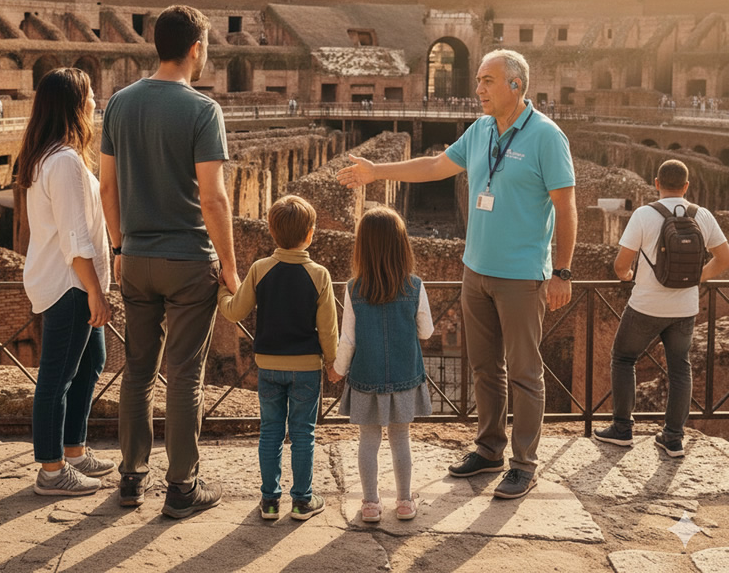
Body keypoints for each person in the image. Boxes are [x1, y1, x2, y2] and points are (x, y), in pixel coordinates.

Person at [337, 49, 577, 499]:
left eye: (488, 80)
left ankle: (525, 464)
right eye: (479, 80)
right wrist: (376, 172)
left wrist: (561, 270)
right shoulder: (481, 130)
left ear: (515, 86)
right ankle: (489, 449)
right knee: (486, 368)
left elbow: (566, 206)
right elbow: (434, 166)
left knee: (525, 372)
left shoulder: (546, 136)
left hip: (523, 275)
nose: (478, 88)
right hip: (476, 271)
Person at [100, 4, 239, 518]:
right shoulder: (203, 111)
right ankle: (182, 487)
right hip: (187, 262)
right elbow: (214, 199)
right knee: (184, 374)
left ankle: (131, 480)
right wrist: (229, 264)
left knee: (137, 372)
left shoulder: (119, 103)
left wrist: (119, 247)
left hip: (134, 257)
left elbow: (108, 187)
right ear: (196, 48)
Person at [16, 68, 114, 497]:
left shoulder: (49, 156)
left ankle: (73, 451)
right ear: (75, 104)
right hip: (70, 284)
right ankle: (52, 471)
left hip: (65, 281)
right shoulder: (66, 162)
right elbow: (76, 238)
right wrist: (95, 290)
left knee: (91, 362)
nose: (96, 101)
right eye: (91, 95)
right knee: (57, 376)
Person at [595, 160, 729, 457]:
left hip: (646, 305)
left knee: (623, 358)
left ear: (656, 183)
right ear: (686, 186)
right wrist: (697, 278)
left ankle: (621, 429)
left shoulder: (644, 214)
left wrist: (626, 276)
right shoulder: (702, 215)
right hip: (685, 308)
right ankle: (673, 438)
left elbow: (620, 264)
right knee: (680, 368)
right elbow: (724, 258)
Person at [218, 195, 338, 521]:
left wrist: (221, 291)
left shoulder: (259, 269)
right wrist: (333, 363)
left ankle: (269, 501)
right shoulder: (319, 274)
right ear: (310, 233)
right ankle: (302, 500)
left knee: (270, 432)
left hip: (268, 365)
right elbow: (327, 329)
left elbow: (236, 311)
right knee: (303, 434)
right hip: (306, 368)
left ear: (271, 231)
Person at [327, 206, 434, 522]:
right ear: (402, 246)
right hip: (405, 375)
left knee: (368, 440)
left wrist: (337, 369)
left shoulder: (353, 288)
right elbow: (426, 331)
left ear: (362, 248)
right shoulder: (414, 286)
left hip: (366, 376)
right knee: (401, 439)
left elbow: (348, 339)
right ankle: (404, 502)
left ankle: (371, 504)